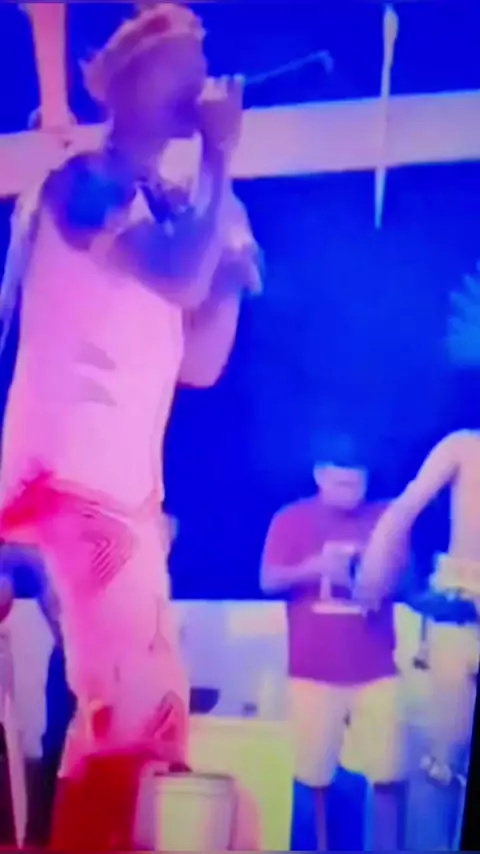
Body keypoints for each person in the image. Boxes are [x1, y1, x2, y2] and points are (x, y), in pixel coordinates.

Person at [0, 4, 261, 849]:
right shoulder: (84, 182)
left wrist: (229, 275)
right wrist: (220, 162)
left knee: (134, 724)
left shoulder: (164, 206)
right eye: (177, 64)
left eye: (199, 64)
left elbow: (201, 361)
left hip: (120, 496)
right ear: (122, 85)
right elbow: (177, 278)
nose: (196, 81)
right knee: (139, 717)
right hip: (67, 485)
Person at [261, 436, 408, 851]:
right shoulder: (292, 518)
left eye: (357, 484)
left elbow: (409, 582)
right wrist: (313, 568)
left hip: (377, 671)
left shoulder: (385, 517)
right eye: (341, 483)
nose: (349, 492)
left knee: (390, 775)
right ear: (320, 476)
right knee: (312, 779)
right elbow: (268, 580)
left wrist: (384, 580)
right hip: (313, 671)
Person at [358, 430, 480, 849]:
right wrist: (373, 571)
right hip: (458, 610)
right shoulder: (465, 446)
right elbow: (403, 510)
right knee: (439, 762)